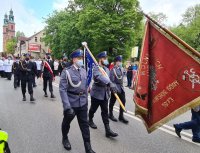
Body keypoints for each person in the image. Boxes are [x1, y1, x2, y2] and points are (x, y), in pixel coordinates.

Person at [59, 49, 95, 153]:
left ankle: (88, 147)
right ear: (74, 59)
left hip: (83, 102)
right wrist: (67, 107)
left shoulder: (84, 71)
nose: (81, 60)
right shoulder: (67, 72)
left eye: (82, 58)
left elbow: (85, 86)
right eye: (79, 58)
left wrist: (88, 89)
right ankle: (64, 138)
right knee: (66, 122)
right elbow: (62, 89)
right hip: (71, 103)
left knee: (85, 125)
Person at [88, 51, 118, 138]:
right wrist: (109, 83)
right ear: (100, 59)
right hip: (97, 93)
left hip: (105, 94)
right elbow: (99, 77)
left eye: (106, 58)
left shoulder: (107, 69)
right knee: (93, 109)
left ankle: (107, 130)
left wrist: (113, 85)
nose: (106, 60)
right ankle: (89, 120)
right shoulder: (96, 68)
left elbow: (110, 79)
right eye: (104, 58)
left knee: (105, 112)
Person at [109, 55, 129, 124]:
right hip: (115, 88)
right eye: (119, 61)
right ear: (116, 62)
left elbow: (122, 77)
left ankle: (121, 116)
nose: (120, 62)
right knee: (112, 102)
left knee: (123, 101)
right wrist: (113, 88)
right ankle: (110, 114)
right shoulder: (112, 70)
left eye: (121, 61)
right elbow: (111, 80)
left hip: (121, 88)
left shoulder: (122, 68)